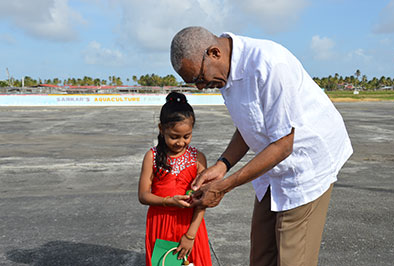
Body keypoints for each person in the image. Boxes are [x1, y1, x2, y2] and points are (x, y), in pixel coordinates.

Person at [170, 26, 353, 266]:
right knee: (261, 255)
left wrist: (225, 187)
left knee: (292, 259)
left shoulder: (268, 65)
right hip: (272, 167)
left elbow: (284, 144)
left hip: (306, 165)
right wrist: (223, 165)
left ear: (214, 53)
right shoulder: (224, 75)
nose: (201, 87)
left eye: (199, 79)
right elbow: (251, 124)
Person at [138, 92, 212, 266]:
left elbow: (204, 201)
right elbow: (143, 196)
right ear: (161, 129)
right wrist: (169, 201)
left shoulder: (198, 158)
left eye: (187, 136)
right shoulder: (152, 156)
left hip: (189, 225)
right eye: (174, 137)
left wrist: (190, 236)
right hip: (160, 222)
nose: (180, 142)